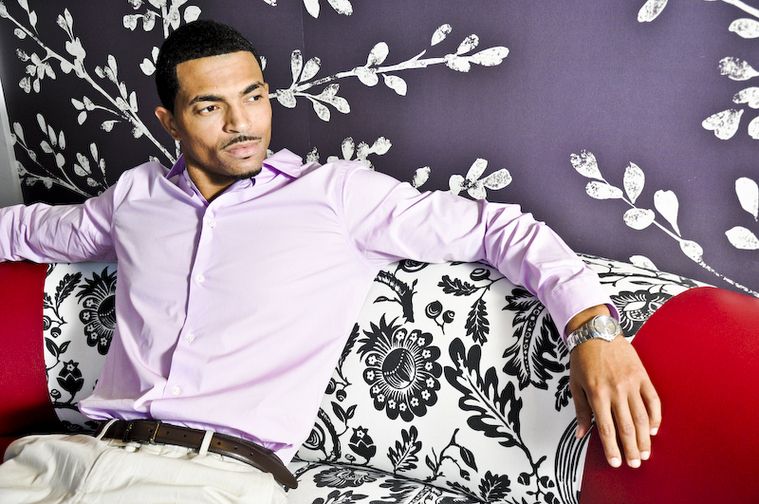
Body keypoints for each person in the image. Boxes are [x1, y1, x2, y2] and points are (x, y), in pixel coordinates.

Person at [0, 20, 659, 503]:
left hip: (211, 478)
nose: (242, 123)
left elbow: (498, 229)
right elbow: (29, 230)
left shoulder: (335, 196)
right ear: (169, 121)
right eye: (209, 107)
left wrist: (593, 329)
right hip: (68, 456)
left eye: (253, 96)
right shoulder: (134, 197)